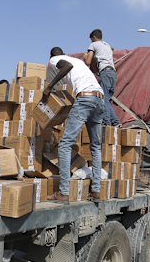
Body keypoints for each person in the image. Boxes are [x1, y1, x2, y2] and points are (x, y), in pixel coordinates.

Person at [44, 47, 106, 203]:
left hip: (85, 98)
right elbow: (97, 79)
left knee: (64, 145)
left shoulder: (55, 60)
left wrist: (49, 87)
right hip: (100, 98)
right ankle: (96, 190)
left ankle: (64, 192)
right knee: (96, 146)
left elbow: (66, 67)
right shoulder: (78, 62)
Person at [83, 29, 120, 126]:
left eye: (91, 39)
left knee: (103, 99)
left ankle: (107, 123)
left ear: (94, 38)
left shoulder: (93, 45)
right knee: (107, 99)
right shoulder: (107, 45)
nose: (91, 42)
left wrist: (85, 57)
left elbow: (88, 62)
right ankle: (115, 122)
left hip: (105, 72)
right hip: (112, 73)